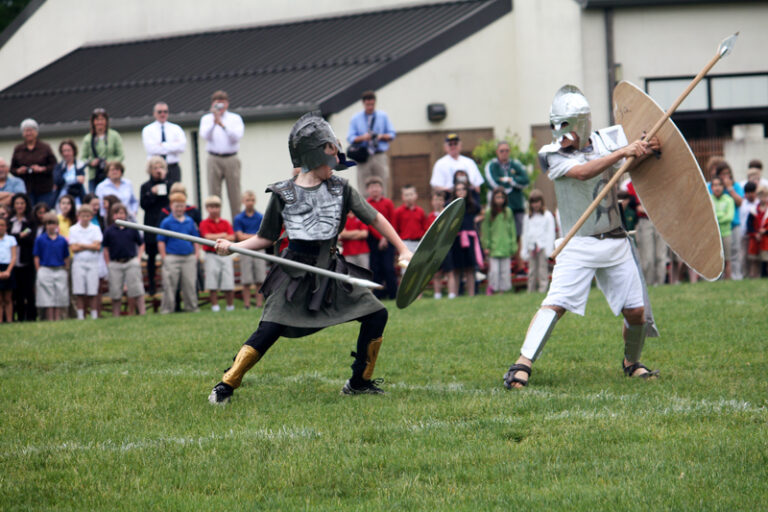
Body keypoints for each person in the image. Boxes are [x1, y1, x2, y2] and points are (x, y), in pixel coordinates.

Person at [208, 114, 414, 404]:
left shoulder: (341, 188)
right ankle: (226, 385)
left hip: (331, 269)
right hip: (293, 272)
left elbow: (375, 218)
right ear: (313, 155)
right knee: (269, 329)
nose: (334, 164)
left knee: (377, 313)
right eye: (329, 157)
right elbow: (266, 237)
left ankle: (359, 382)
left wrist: (402, 248)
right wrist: (232, 246)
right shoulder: (283, 193)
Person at [503, 85, 661, 390]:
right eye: (555, 124)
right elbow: (583, 172)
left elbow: (628, 163)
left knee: (636, 312)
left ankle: (632, 363)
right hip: (578, 245)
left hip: (615, 241)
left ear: (582, 123)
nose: (560, 132)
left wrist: (646, 149)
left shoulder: (610, 140)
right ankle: (521, 365)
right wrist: (624, 151)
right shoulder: (551, 155)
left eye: (565, 125)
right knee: (556, 305)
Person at [199, 90, 244, 220]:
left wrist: (222, 125)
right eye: (217, 104)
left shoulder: (234, 118)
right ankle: (215, 223)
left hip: (231, 158)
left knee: (234, 193)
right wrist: (214, 122)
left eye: (222, 103)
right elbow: (205, 135)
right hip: (214, 158)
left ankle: (236, 225)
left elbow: (236, 137)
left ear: (227, 104)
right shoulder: (207, 119)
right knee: (214, 193)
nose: (220, 107)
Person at [158, 192, 200, 314]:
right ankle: (167, 309)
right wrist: (164, 257)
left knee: (190, 284)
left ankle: (191, 307)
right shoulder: (166, 222)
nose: (179, 209)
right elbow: (161, 241)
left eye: (182, 206)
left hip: (188, 257)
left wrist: (196, 254)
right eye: (177, 206)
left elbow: (195, 240)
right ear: (171, 206)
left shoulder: (189, 221)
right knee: (169, 285)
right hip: (172, 257)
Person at [346, 90, 396, 190]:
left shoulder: (383, 116)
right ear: (363, 103)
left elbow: (392, 134)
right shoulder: (356, 118)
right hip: (363, 156)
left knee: (383, 184)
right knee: (363, 185)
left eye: (372, 104)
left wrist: (381, 136)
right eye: (368, 104)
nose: (370, 107)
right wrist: (363, 138)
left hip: (379, 154)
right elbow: (350, 137)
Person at [103, 203, 146, 317]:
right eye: (116, 213)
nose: (119, 216)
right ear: (113, 216)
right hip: (115, 263)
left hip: (131, 261)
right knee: (115, 292)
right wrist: (108, 264)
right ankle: (116, 315)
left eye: (122, 213)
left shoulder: (132, 228)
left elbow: (141, 244)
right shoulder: (109, 231)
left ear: (126, 215)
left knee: (136, 289)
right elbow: (105, 249)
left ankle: (142, 313)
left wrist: (138, 258)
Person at [484, 141, 530, 246]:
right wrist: (510, 183)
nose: (504, 153)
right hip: (500, 209)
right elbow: (492, 182)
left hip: (517, 206)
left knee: (519, 234)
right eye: (501, 151)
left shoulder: (516, 164)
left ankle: (519, 260)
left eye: (507, 150)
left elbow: (525, 180)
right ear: (497, 152)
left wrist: (510, 180)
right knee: (502, 233)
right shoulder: (491, 165)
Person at [444, 181, 483, 298]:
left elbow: (482, 212)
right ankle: (454, 294)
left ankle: (471, 295)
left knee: (470, 269)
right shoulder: (449, 206)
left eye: (463, 189)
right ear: (455, 192)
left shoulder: (472, 205)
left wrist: (477, 220)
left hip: (469, 239)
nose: (461, 192)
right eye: (458, 190)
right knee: (456, 269)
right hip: (456, 240)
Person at [139, 156, 171, 295]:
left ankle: (168, 285)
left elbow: (170, 201)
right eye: (155, 168)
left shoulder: (169, 184)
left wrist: (164, 181)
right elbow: (144, 205)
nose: (158, 170)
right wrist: (152, 193)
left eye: (161, 167)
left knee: (167, 255)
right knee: (151, 256)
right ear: (150, 170)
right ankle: (152, 285)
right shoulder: (145, 187)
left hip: (165, 224)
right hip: (151, 223)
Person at [627, 179, 667, 286]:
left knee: (661, 256)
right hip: (645, 221)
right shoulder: (632, 184)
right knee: (647, 257)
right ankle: (648, 284)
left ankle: (661, 283)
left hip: (660, 220)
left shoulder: (659, 182)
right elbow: (635, 205)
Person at [10, 119, 57, 208]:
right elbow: (12, 169)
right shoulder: (18, 149)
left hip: (44, 188)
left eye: (31, 130)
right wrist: (19, 171)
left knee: (43, 210)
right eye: (26, 131)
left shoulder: (45, 147)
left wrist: (42, 169)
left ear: (36, 132)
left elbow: (54, 165)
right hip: (26, 188)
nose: (28, 133)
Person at [199, 195, 236, 312]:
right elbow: (206, 236)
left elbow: (232, 237)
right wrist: (223, 235)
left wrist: (217, 237)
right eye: (211, 207)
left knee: (228, 280)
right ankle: (215, 306)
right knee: (212, 281)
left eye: (216, 207)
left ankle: (230, 306)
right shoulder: (204, 223)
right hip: (211, 254)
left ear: (220, 208)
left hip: (225, 254)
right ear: (207, 208)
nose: (214, 209)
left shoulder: (225, 222)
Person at [365, 176, 397, 300]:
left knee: (389, 268)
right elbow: (369, 222)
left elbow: (392, 221)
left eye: (377, 187)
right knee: (375, 268)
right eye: (372, 187)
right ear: (368, 190)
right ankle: (378, 295)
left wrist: (385, 237)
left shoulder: (388, 203)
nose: (374, 190)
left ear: (381, 189)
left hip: (388, 239)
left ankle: (393, 293)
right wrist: (379, 236)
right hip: (373, 240)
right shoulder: (367, 203)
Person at [68, 205, 102, 320]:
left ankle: (94, 315)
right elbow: (74, 248)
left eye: (88, 216)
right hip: (79, 262)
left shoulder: (95, 228)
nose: (85, 218)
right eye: (83, 216)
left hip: (92, 262)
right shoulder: (73, 229)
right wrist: (90, 245)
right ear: (79, 216)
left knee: (92, 290)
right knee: (79, 291)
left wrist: (81, 244)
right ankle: (80, 315)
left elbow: (97, 246)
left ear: (91, 217)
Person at [34, 211, 70, 321]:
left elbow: (66, 256)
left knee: (60, 294)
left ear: (56, 225)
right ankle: (50, 318)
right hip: (45, 268)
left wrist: (66, 268)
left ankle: (58, 318)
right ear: (45, 225)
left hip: (59, 268)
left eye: (53, 223)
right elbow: (36, 256)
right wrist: (38, 270)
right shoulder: (40, 239)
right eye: (48, 223)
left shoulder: (62, 240)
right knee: (47, 295)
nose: (51, 226)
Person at [481, 187, 517, 294]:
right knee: (494, 271)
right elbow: (486, 230)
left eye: (502, 197)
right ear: (493, 198)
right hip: (494, 246)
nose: (500, 199)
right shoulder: (489, 212)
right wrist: (486, 245)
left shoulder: (508, 212)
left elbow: (512, 230)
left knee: (505, 271)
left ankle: (503, 290)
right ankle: (492, 288)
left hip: (505, 246)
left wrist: (513, 245)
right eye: (497, 197)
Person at [233, 190, 265, 309]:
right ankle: (247, 305)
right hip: (245, 250)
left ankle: (259, 304)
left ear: (255, 201)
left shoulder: (260, 216)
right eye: (247, 200)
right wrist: (254, 236)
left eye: (252, 200)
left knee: (260, 279)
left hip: (258, 249)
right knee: (246, 279)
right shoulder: (239, 218)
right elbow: (239, 236)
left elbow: (263, 235)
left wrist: (249, 236)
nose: (250, 203)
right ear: (243, 202)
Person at [711, 163, 744, 279]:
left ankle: (736, 276)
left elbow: (739, 202)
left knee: (733, 253)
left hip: (733, 225)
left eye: (727, 173)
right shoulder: (714, 189)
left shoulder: (735, 187)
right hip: (717, 228)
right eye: (723, 174)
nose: (726, 176)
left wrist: (730, 188)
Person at [142, 102, 187, 185]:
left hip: (173, 167)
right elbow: (151, 149)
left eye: (165, 112)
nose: (162, 114)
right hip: (156, 169)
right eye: (160, 112)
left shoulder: (176, 128)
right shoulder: (148, 130)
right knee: (159, 192)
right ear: (154, 113)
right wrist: (172, 145)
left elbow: (181, 147)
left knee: (175, 191)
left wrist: (163, 145)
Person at [520, 189, 556, 293]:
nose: (535, 205)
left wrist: (549, 250)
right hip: (532, 247)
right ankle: (530, 290)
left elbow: (550, 233)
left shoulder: (547, 216)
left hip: (543, 247)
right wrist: (525, 249)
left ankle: (542, 290)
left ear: (541, 202)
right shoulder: (528, 217)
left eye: (537, 202)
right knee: (531, 271)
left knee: (542, 270)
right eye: (533, 202)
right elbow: (525, 233)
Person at [81, 108, 125, 193]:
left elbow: (121, 155)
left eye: (102, 119)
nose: (99, 122)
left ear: (106, 121)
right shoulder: (88, 138)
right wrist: (91, 162)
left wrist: (110, 163)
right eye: (97, 120)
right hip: (94, 175)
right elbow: (83, 158)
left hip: (111, 175)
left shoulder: (114, 136)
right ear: (93, 122)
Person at [9, 193, 36, 321]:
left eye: (22, 203)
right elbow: (7, 239)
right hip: (11, 262)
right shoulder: (9, 221)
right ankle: (18, 317)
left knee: (28, 290)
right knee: (16, 292)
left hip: (26, 261)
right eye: (17, 203)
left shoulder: (30, 221)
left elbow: (30, 239)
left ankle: (31, 317)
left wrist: (16, 237)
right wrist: (19, 237)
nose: (19, 206)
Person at [710, 176, 735, 280]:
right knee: (714, 259)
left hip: (726, 233)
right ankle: (714, 280)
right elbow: (709, 217)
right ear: (711, 187)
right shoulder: (709, 199)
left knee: (727, 259)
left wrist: (717, 217)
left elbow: (729, 217)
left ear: (723, 187)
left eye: (719, 185)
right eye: (715, 185)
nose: (717, 188)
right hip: (713, 235)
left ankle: (727, 280)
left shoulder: (728, 200)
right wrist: (721, 215)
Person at [393, 184, 427, 254]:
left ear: (416, 195)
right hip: (405, 243)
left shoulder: (420, 211)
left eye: (411, 194)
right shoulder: (398, 212)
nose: (409, 197)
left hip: (419, 243)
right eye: (406, 195)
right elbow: (395, 229)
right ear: (402, 197)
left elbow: (424, 228)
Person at [52, 139, 86, 207]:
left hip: (76, 198)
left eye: (68, 150)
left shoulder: (79, 165)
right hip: (61, 197)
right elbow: (57, 181)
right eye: (64, 151)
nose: (66, 153)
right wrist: (75, 179)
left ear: (73, 151)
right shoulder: (59, 166)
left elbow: (81, 180)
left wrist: (66, 179)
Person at [427, 190, 447, 299]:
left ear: (444, 201)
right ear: (432, 202)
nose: (438, 202)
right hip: (434, 249)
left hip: (446, 248)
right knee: (436, 272)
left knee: (450, 272)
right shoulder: (430, 217)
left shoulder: (447, 215)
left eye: (440, 200)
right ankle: (437, 294)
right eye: (435, 200)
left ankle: (452, 294)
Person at [746, 185, 768, 278]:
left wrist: (766, 231)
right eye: (761, 196)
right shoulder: (753, 210)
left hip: (766, 238)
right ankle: (753, 275)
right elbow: (749, 224)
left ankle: (764, 275)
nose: (763, 198)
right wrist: (755, 233)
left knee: (765, 258)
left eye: (765, 196)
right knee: (753, 258)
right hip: (755, 238)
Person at [0, 216, 17, 323]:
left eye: (2, 225)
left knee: (8, 298)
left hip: (8, 268)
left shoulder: (11, 239)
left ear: (6, 227)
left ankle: (10, 320)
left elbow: (14, 256)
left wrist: (8, 271)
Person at [740, 181, 758, 278]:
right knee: (743, 256)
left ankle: (755, 275)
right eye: (748, 192)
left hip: (754, 235)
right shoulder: (743, 203)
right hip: (744, 234)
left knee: (754, 257)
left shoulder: (758, 203)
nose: (750, 194)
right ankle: (744, 275)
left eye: (752, 192)